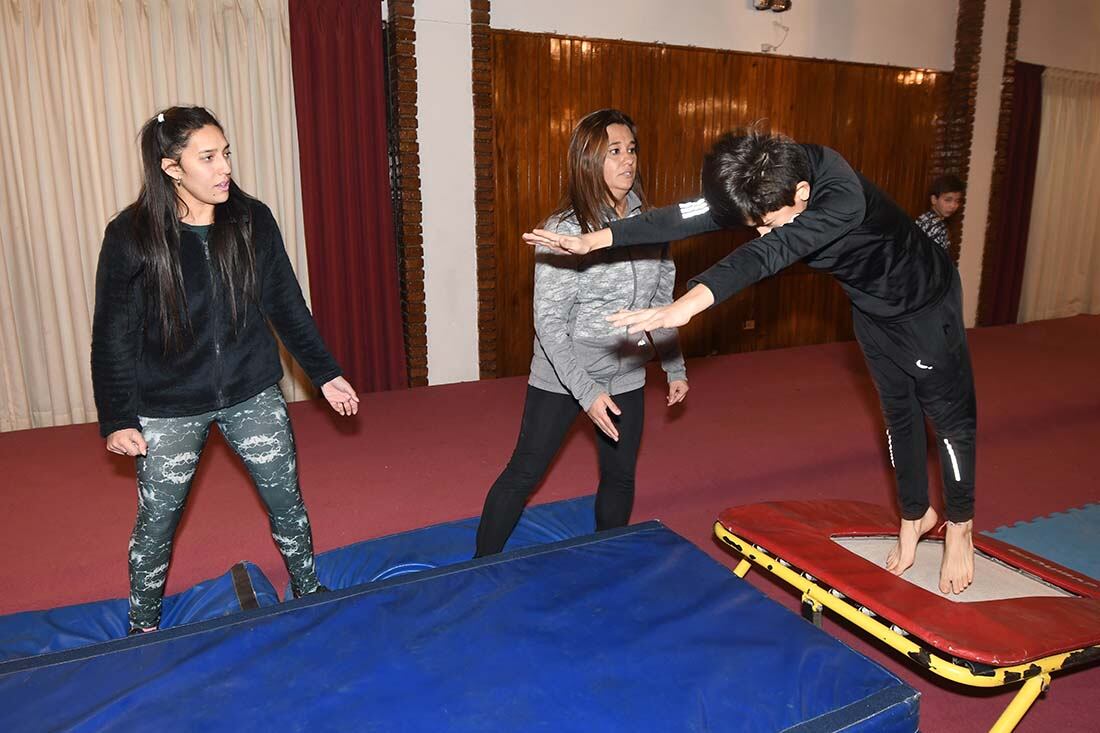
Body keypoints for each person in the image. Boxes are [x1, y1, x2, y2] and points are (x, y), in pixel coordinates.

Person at [524, 128, 977, 594]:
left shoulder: (841, 197)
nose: (760, 229)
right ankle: (914, 515)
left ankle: (960, 526)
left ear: (802, 194)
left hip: (925, 305)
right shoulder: (762, 178)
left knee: (947, 418)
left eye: (768, 220)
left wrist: (684, 307)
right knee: (898, 410)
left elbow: (766, 254)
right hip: (870, 307)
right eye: (752, 220)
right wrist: (595, 240)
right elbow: (682, 217)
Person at [91, 106, 359, 634]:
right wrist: (118, 417)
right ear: (172, 168)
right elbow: (113, 334)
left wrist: (325, 372)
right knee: (157, 523)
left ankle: (309, 589)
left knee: (287, 501)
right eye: (208, 157)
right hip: (167, 406)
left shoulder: (251, 219)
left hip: (250, 391)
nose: (224, 168)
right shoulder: (130, 235)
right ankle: (142, 625)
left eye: (226, 153)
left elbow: (286, 304)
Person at [474, 109, 688, 557]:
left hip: (628, 370)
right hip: (564, 372)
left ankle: (606, 561)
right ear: (590, 160)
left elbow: (664, 304)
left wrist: (674, 367)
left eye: (631, 149)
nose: (627, 160)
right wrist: (586, 392)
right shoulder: (565, 230)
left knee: (620, 473)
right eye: (614, 151)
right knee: (525, 473)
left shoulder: (653, 223)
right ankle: (480, 566)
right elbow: (548, 323)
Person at [915, 174, 965, 252]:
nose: (953, 206)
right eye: (948, 200)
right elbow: (936, 261)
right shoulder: (937, 227)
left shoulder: (924, 217)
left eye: (957, 201)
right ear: (934, 199)